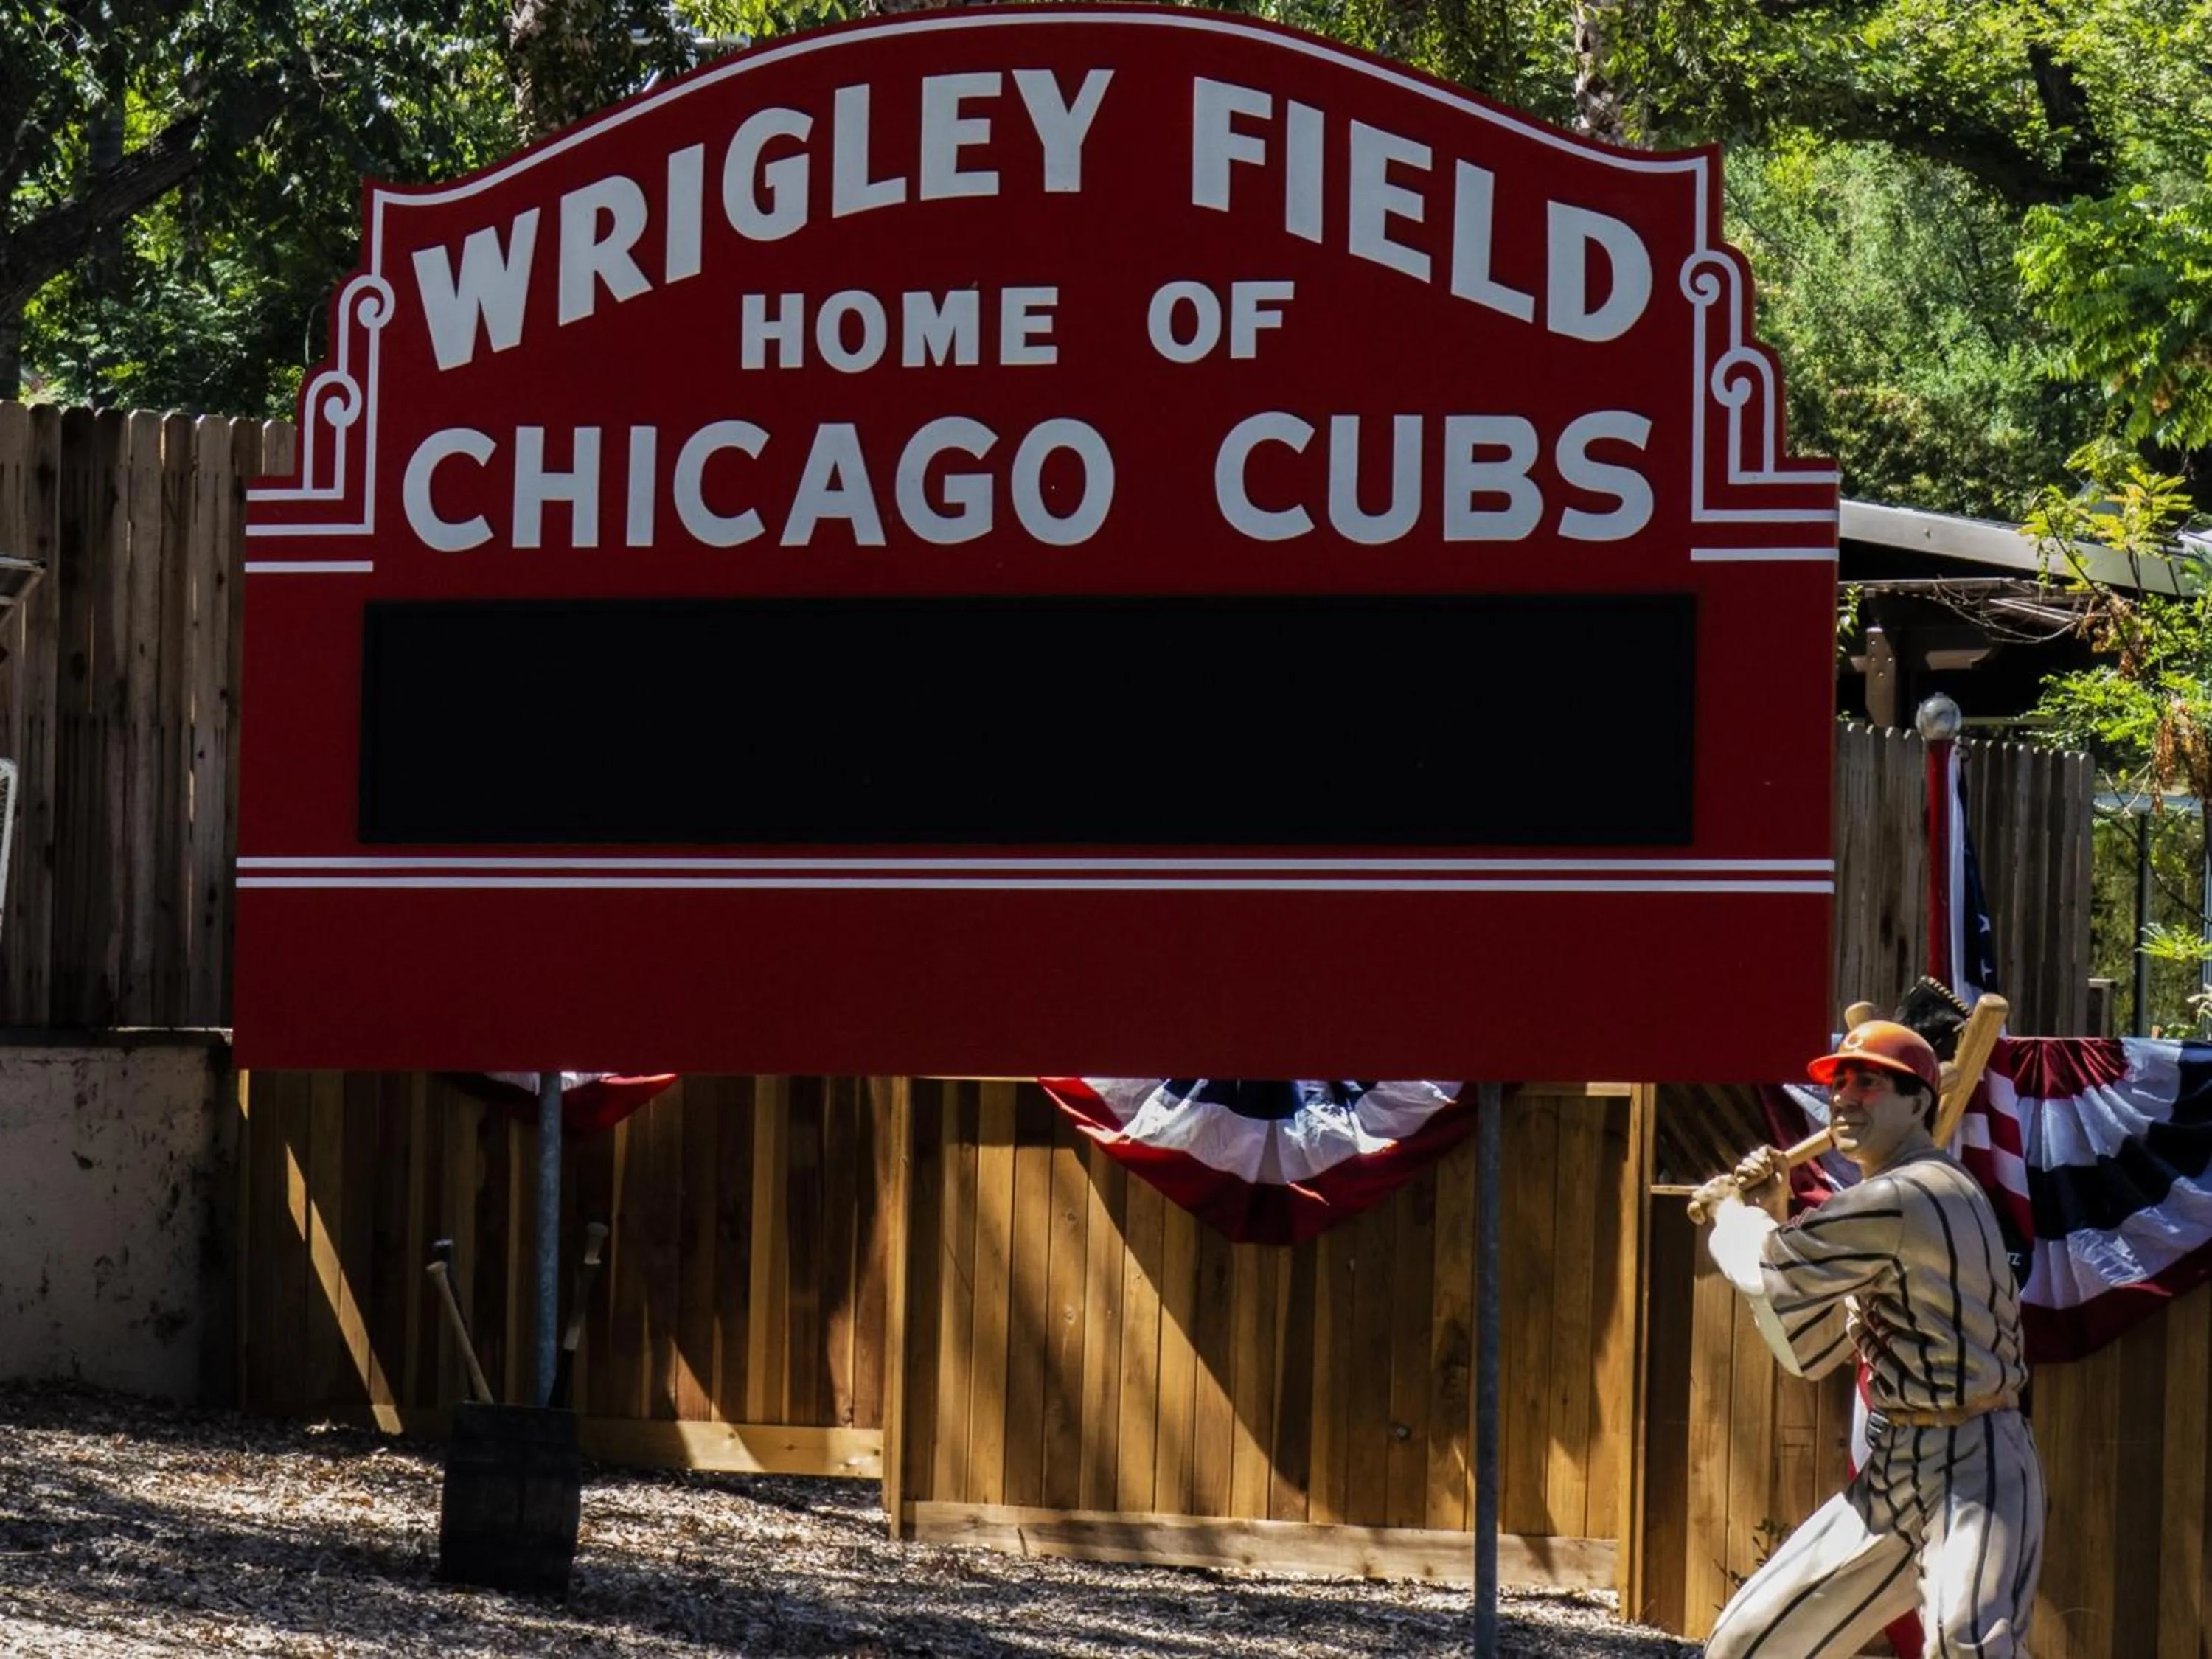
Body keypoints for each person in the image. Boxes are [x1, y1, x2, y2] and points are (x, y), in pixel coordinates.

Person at [1692, 1020, 2045, 1658]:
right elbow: (1810, 1348)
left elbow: (1763, 1267)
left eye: (1869, 1083)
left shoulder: (1912, 1194)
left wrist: (1728, 1213)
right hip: (1895, 1469)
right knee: (1745, 1645)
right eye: (1840, 1084)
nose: (1845, 1097)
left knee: (1966, 1645)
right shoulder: (1888, 1203)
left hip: (1978, 1465)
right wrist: (1771, 1209)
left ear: (1918, 1104)